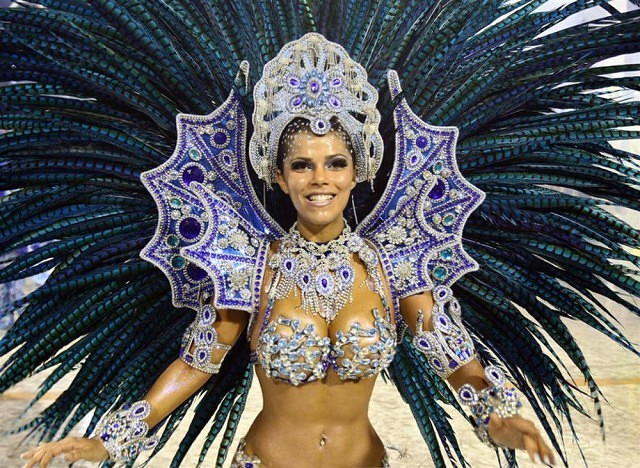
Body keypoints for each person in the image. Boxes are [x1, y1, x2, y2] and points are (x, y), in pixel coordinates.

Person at [20, 33, 556, 468]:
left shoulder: (394, 264)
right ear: (279, 176)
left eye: (336, 163)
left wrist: (502, 422)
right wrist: (108, 441)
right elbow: (195, 364)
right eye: (302, 165)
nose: (320, 179)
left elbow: (458, 366)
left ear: (358, 171)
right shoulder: (251, 267)